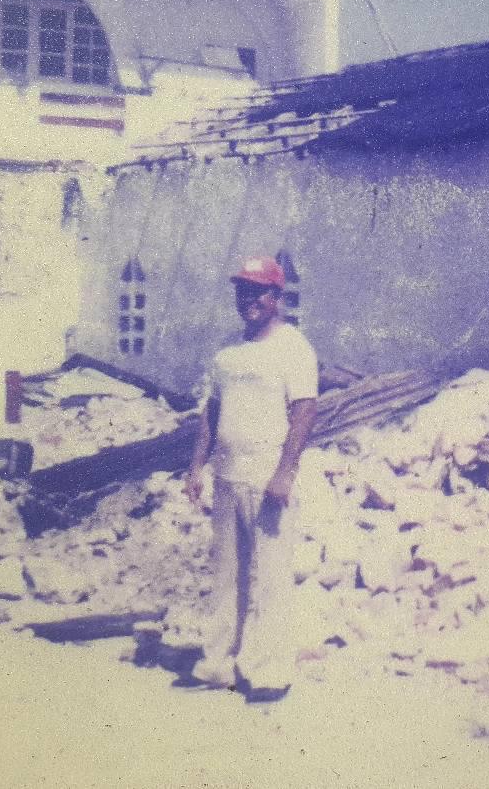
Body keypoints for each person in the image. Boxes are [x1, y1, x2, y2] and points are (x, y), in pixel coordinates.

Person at [183, 255, 319, 703]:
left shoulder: (293, 347)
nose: (249, 301)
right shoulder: (227, 353)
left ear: (276, 296)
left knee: (270, 576)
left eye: (258, 292)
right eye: (243, 291)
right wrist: (196, 467)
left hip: (267, 478)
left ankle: (269, 671)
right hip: (227, 475)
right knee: (228, 575)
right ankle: (220, 663)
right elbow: (212, 412)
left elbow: (304, 411)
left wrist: (285, 471)